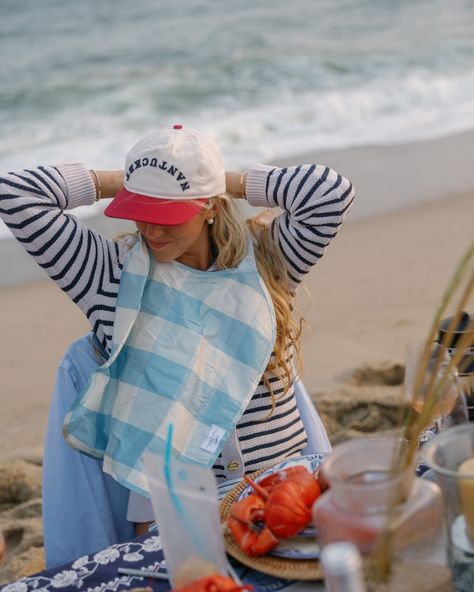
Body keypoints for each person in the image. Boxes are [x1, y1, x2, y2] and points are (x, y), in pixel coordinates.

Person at [0, 124, 355, 565]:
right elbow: (13, 193)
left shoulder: (268, 260)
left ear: (208, 206)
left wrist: (221, 179)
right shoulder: (108, 277)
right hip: (178, 512)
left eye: (166, 211)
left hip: (284, 490)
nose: (149, 227)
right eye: (138, 208)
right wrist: (125, 181)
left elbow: (330, 193)